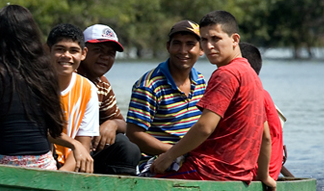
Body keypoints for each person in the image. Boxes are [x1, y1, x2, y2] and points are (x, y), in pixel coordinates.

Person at [151, 10, 276, 191]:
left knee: (144, 177)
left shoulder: (225, 74)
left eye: (216, 39)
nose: (209, 46)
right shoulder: (252, 75)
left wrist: (168, 156)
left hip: (208, 172)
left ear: (234, 39)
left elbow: (204, 128)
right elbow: (265, 137)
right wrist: (264, 177)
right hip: (239, 176)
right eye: (204, 40)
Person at [0, 5, 90, 170]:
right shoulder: (47, 72)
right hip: (43, 165)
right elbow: (52, 130)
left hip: (1, 163)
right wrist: (73, 143)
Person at [128, 20, 207, 168]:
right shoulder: (149, 85)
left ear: (201, 49)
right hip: (157, 161)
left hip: (189, 156)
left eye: (190, 44)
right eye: (177, 43)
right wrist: (176, 152)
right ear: (168, 47)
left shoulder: (200, 81)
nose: (183, 50)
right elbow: (134, 134)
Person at [75, 24, 142, 174]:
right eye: (98, 51)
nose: (105, 57)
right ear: (83, 51)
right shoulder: (70, 75)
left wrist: (111, 124)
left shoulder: (102, 83)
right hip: (66, 146)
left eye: (110, 53)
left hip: (89, 148)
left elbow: (121, 122)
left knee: (127, 147)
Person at [46, 24, 98, 173]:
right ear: (48, 51)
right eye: (60, 49)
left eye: (73, 51)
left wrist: (62, 174)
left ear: (83, 53)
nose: (67, 56)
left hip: (69, 162)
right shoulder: (36, 83)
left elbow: (84, 143)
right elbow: (38, 131)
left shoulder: (88, 89)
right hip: (39, 158)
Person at [240, 42, 292, 180]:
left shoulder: (250, 95)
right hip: (271, 169)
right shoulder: (264, 94)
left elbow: (265, 139)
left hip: (258, 171)